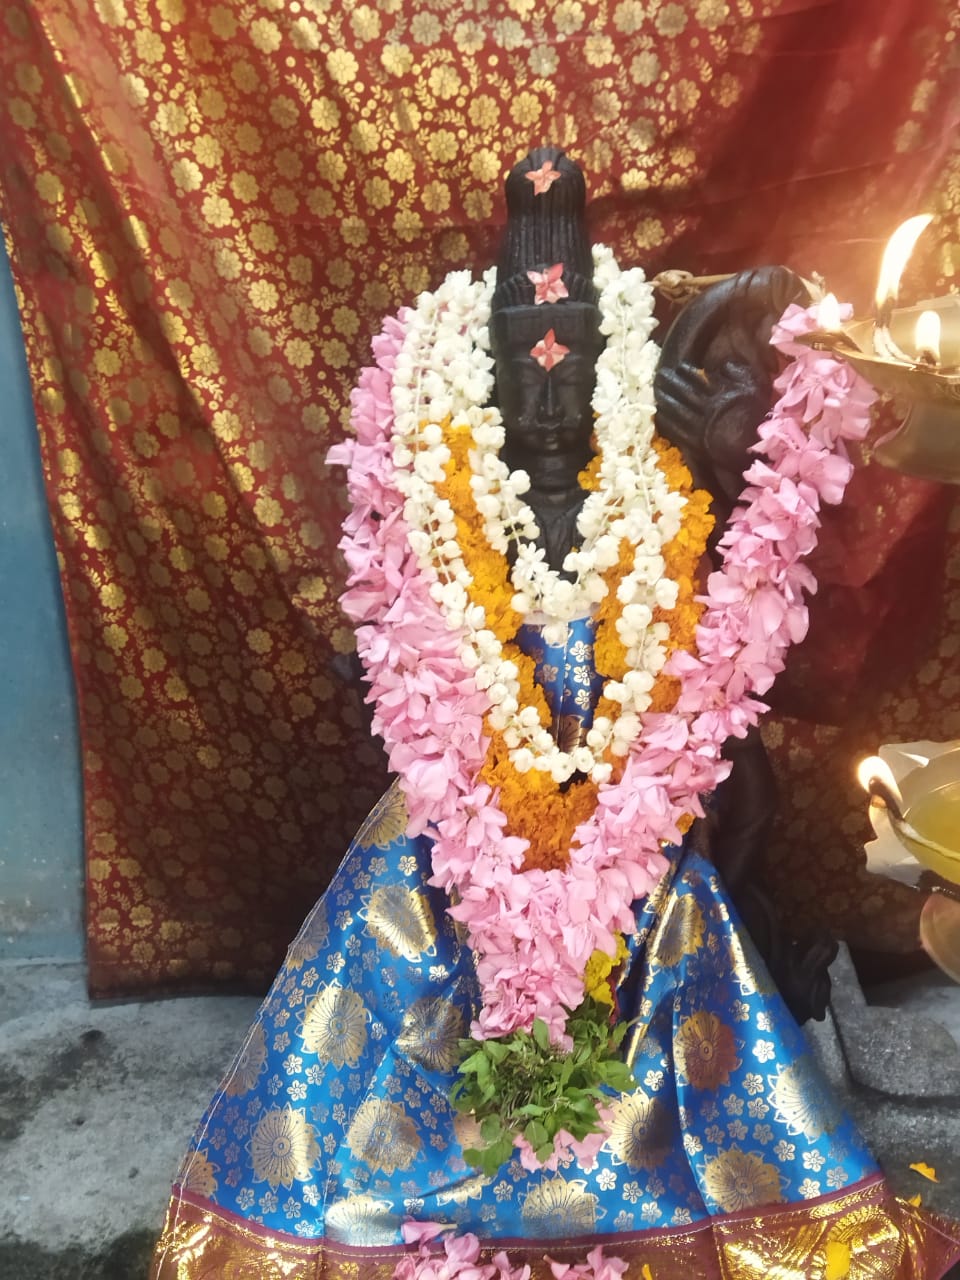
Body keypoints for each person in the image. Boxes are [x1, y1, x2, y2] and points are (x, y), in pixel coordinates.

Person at [151, 149, 960, 1280]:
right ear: (475, 371)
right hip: (469, 793)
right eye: (521, 366)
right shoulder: (442, 477)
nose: (545, 393)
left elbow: (718, 626)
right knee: (407, 912)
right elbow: (413, 634)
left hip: (633, 787)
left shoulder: (652, 482)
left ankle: (664, 1184)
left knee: (675, 916)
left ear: (611, 369)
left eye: (572, 366)